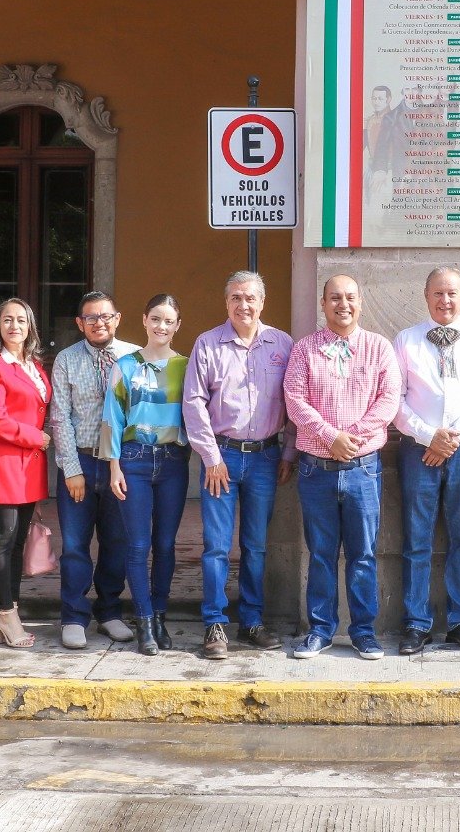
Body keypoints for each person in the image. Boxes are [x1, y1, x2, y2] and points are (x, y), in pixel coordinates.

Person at [283, 275, 402, 660]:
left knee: (362, 554)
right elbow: (294, 399)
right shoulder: (305, 349)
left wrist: (350, 437)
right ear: (323, 304)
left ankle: (364, 632)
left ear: (360, 303)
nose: (343, 304)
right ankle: (320, 631)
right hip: (315, 470)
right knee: (320, 554)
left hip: (362, 469)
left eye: (350, 297)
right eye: (335, 298)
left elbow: (389, 400)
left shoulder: (379, 347)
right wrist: (329, 435)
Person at [182, 271, 298, 659]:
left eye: (250, 298)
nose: (243, 305)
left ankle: (251, 621)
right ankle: (214, 623)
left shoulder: (282, 344)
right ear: (226, 302)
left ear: (262, 302)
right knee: (216, 546)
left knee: (256, 545)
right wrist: (211, 457)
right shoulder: (208, 344)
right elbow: (193, 403)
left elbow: (295, 401)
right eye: (235, 298)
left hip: (266, 457)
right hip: (223, 457)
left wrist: (288, 452)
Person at [392, 268, 460, 655]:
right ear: (426, 296)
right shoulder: (406, 340)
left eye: (452, 293)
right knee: (416, 538)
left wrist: (452, 436)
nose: (445, 300)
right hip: (417, 450)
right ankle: (416, 622)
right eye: (438, 293)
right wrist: (429, 436)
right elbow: (394, 398)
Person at [99, 293, 190, 657]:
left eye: (168, 321)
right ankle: (144, 621)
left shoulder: (186, 366)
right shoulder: (125, 365)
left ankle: (161, 616)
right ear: (144, 320)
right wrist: (114, 466)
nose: (161, 326)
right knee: (138, 545)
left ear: (177, 325)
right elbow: (112, 417)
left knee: (165, 544)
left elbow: (196, 414)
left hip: (173, 462)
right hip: (133, 460)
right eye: (155, 319)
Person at [48, 291, 139, 650]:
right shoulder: (67, 359)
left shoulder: (134, 357)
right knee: (74, 544)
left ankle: (110, 611)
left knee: (117, 541)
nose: (99, 323)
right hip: (81, 461)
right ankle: (73, 615)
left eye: (105, 316)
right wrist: (71, 468)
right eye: (90, 317)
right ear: (79, 323)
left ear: (117, 319)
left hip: (121, 465)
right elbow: (60, 416)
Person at [0, 297, 53, 649]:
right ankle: (5, 613)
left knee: (19, 541)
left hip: (29, 465)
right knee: (4, 540)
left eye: (21, 319)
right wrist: (36, 437)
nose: (14, 326)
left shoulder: (34, 365)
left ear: (30, 326)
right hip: (5, 461)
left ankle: (12, 610)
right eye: (7, 319)